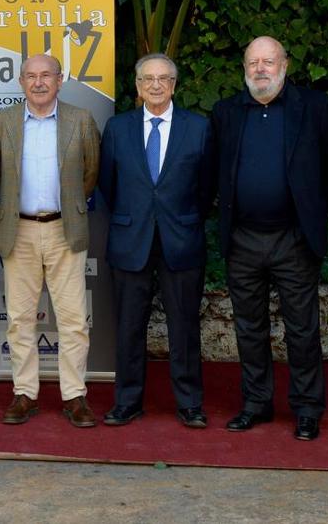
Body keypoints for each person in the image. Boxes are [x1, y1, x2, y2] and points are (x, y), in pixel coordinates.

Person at [211, 36, 328, 441]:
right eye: (253, 62)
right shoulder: (227, 112)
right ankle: (255, 404)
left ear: (285, 63)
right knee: (248, 328)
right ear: (244, 68)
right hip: (243, 238)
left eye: (268, 61)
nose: (260, 69)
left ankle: (306, 408)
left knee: (302, 329)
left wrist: (307, 215)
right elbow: (215, 170)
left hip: (293, 238)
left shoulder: (314, 108)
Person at [99, 53, 215, 429]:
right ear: (136, 85)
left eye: (163, 79)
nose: (155, 85)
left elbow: (206, 188)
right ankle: (128, 401)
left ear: (174, 85)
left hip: (180, 240)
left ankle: (189, 403)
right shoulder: (118, 128)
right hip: (130, 239)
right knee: (129, 327)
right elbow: (108, 186)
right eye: (147, 78)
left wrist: (178, 218)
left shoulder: (198, 128)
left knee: (184, 327)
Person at [0, 53, 101, 428]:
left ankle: (74, 395)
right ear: (20, 82)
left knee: (72, 320)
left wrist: (67, 207)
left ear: (59, 80)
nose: (38, 82)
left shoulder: (81, 120)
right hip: (17, 230)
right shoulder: (1, 122)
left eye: (46, 76)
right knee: (20, 319)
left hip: (64, 228)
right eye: (31, 76)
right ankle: (25, 393)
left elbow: (90, 173)